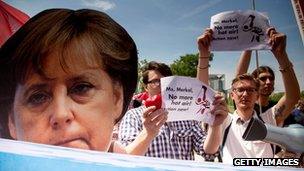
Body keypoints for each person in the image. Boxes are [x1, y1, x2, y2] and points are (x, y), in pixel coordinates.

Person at [0, 8, 161, 155]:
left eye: (81, 88)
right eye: (37, 97)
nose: (61, 114)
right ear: (11, 121)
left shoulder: (118, 156)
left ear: (117, 99)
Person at [200, 27, 300, 164]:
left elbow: (293, 97)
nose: (245, 94)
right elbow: (201, 92)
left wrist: (281, 55)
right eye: (240, 90)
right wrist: (203, 55)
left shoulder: (269, 119)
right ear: (232, 95)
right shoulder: (224, 120)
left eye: (251, 90)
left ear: (257, 94)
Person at [119, 59, 227, 160]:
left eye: (168, 82)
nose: (163, 87)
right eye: (156, 81)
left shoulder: (187, 115)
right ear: (146, 87)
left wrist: (215, 125)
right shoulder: (133, 116)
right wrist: (147, 133)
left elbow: (208, 152)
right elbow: (126, 158)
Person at [235, 28, 300, 127]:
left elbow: (292, 97)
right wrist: (249, 45)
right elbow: (239, 80)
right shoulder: (246, 103)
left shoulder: (275, 108)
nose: (268, 82)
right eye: (263, 78)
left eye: (271, 78)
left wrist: (282, 55)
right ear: (254, 83)